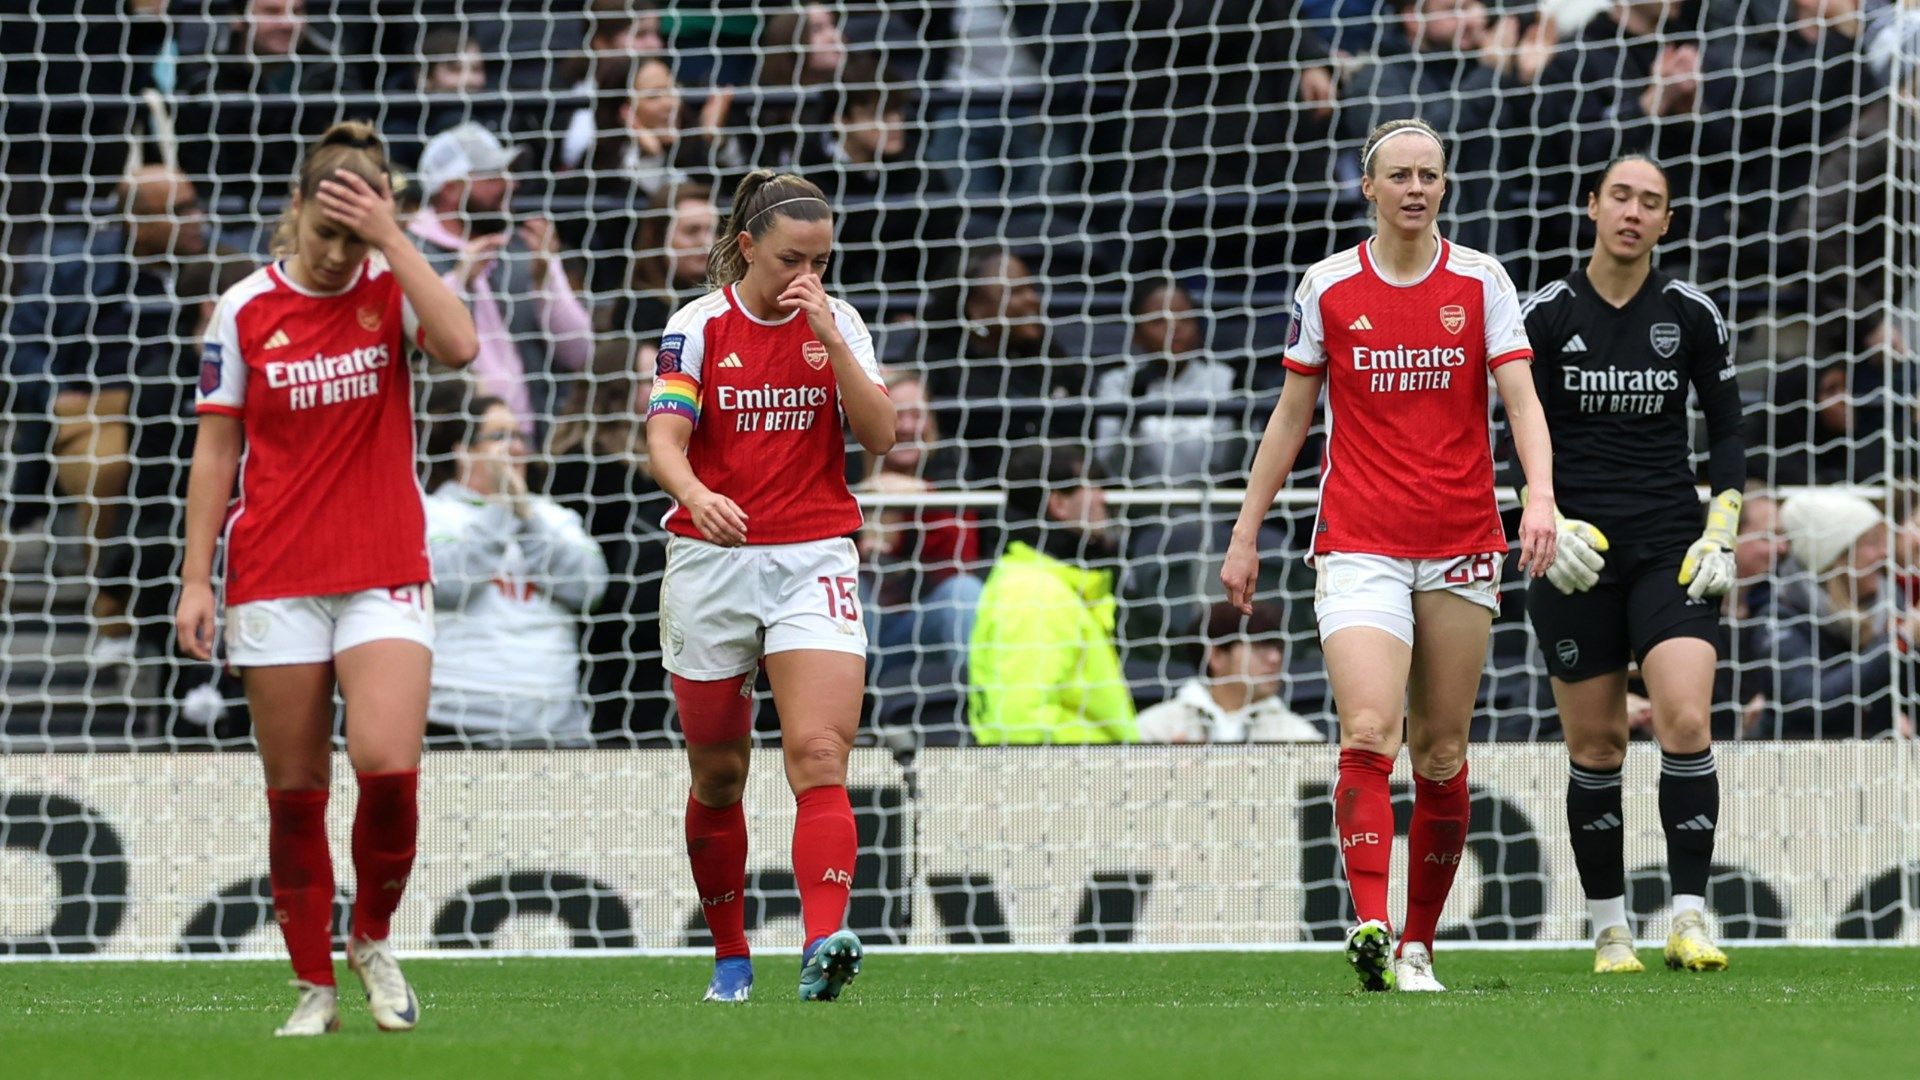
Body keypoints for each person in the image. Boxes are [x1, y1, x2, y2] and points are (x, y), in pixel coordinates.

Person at [1221, 118, 1557, 993]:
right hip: (1360, 540)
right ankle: (1370, 921)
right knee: (1369, 729)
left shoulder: (1482, 280)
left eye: (1431, 175)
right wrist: (1246, 529)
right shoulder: (1328, 284)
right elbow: (1290, 418)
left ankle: (1418, 944)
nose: (1416, 188)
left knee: (1441, 754)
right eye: (1400, 175)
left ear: (1446, 188)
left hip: (1459, 539)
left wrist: (1542, 497)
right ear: (1368, 188)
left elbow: (1521, 400)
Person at [173, 121, 479, 1036]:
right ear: (297, 211)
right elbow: (216, 444)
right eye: (329, 232)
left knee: (388, 770)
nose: (341, 255)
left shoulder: (392, 286)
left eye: (359, 235)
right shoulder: (243, 309)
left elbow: (460, 348)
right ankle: (314, 985)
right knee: (296, 789)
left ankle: (373, 939)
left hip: (383, 563)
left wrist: (393, 238)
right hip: (274, 573)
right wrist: (197, 579)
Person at [643, 169, 894, 1004]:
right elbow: (666, 438)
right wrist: (696, 494)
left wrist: (830, 331)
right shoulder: (698, 326)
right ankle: (730, 956)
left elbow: (883, 435)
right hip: (711, 562)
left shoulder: (839, 321)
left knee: (821, 755)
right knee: (718, 773)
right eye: (792, 259)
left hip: (813, 555)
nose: (807, 277)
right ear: (748, 247)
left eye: (821, 260)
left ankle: (824, 943)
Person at [1518, 155, 1747, 975]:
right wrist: (1540, 513)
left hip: (1667, 544)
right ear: (1591, 206)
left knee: (1686, 718)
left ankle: (1688, 916)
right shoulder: (1543, 314)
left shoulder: (1690, 313)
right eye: (1621, 195)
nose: (1634, 211)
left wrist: (1721, 525)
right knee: (1600, 745)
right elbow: (1509, 425)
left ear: (1667, 222)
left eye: (1652, 202)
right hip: (1572, 549)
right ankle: (1610, 928)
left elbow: (1726, 429)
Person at [3, 163, 207, 680]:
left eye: (195, 204)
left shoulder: (217, 268)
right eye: (181, 210)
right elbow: (20, 344)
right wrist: (55, 397)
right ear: (138, 221)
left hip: (192, 417)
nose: (198, 219)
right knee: (108, 468)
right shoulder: (76, 271)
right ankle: (112, 617)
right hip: (99, 410)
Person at [423, 392, 608, 748]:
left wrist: (525, 517)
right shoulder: (432, 513)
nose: (516, 449)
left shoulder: (555, 517)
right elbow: (445, 584)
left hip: (556, 730)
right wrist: (501, 511)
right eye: (499, 437)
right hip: (456, 727)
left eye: (520, 437)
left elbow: (590, 591)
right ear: (461, 450)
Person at [409, 122, 593, 441]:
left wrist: (546, 278)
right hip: (453, 448)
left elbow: (580, 353)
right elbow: (417, 348)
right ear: (451, 188)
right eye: (493, 176)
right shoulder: (409, 256)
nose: (511, 183)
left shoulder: (522, 248)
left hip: (536, 445)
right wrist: (459, 283)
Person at [969, 443, 1136, 745]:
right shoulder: (1035, 594)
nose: (1103, 497)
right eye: (1092, 486)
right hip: (1069, 781)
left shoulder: (1048, 584)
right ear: (1058, 504)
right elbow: (1020, 724)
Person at [858, 369, 982, 677]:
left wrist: (922, 496)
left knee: (964, 591)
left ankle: (973, 710)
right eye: (897, 415)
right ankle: (860, 714)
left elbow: (958, 564)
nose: (909, 427)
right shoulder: (845, 466)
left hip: (920, 622)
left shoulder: (951, 468)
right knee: (851, 587)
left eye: (918, 415)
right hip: (856, 632)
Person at [1766, 490, 1907, 739]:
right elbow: (1813, 701)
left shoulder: (1891, 602)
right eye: (1872, 543)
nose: (1885, 554)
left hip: (1881, 766)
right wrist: (1898, 643)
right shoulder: (1781, 615)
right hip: (1803, 766)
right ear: (1836, 558)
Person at [1136, 602, 1321, 744]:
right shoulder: (1156, 729)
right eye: (1259, 646)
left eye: (1278, 647)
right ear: (1216, 656)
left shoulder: (1298, 736)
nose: (1275, 658)